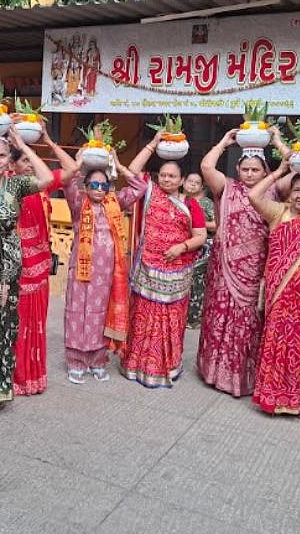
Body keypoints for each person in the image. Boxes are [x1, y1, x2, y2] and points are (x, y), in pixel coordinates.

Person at [196, 127, 289, 397]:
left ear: (264, 171)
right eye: (245, 169)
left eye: (254, 170)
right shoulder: (227, 187)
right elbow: (205, 165)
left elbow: (296, 168)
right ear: (238, 170)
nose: (249, 174)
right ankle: (213, 371)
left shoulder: (273, 190)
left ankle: (242, 378)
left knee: (248, 323)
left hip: (255, 270)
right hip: (224, 269)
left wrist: (278, 142)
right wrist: (224, 141)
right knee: (220, 318)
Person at [0, 129, 54, 407]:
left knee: (3, 327)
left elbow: (47, 179)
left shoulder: (15, 185)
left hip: (8, 268)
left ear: (9, 160)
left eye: (2, 155)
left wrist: (24, 146)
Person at [120, 136, 208, 388]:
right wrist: (153, 143)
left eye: (172, 176)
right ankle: (136, 366)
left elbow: (200, 236)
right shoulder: (149, 190)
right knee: (142, 319)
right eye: (163, 175)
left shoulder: (191, 204)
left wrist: (181, 246)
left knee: (169, 323)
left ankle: (164, 366)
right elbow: (133, 171)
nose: (166, 180)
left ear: (182, 180)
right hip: (147, 270)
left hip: (176, 276)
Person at [247, 161, 300, 418]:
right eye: (297, 191)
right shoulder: (278, 212)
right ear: (290, 193)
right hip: (280, 294)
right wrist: (280, 171)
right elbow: (253, 195)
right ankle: (271, 396)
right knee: (276, 342)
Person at [62, 151, 148, 382]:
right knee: (78, 315)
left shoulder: (115, 202)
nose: (99, 189)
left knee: (100, 316)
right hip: (81, 273)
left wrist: (119, 165)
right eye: (94, 184)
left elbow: (139, 187)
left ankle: (98, 359)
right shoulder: (78, 202)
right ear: (86, 186)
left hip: (107, 274)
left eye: (104, 185)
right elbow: (67, 180)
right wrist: (79, 161)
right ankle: (76, 361)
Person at [12, 131, 77, 395]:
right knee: (16, 325)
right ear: (11, 165)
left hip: (39, 268)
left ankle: (31, 376)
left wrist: (47, 142)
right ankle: (13, 378)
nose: (29, 165)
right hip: (15, 268)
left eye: (33, 161)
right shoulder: (9, 186)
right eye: (24, 161)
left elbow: (72, 169)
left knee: (35, 324)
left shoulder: (42, 188)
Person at [182, 171, 216, 329]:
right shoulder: (178, 199)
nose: (193, 184)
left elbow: (216, 224)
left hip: (203, 246)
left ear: (202, 187)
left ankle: (193, 318)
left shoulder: (206, 203)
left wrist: (196, 223)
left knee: (195, 278)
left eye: (197, 182)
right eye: (190, 181)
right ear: (183, 182)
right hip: (183, 245)